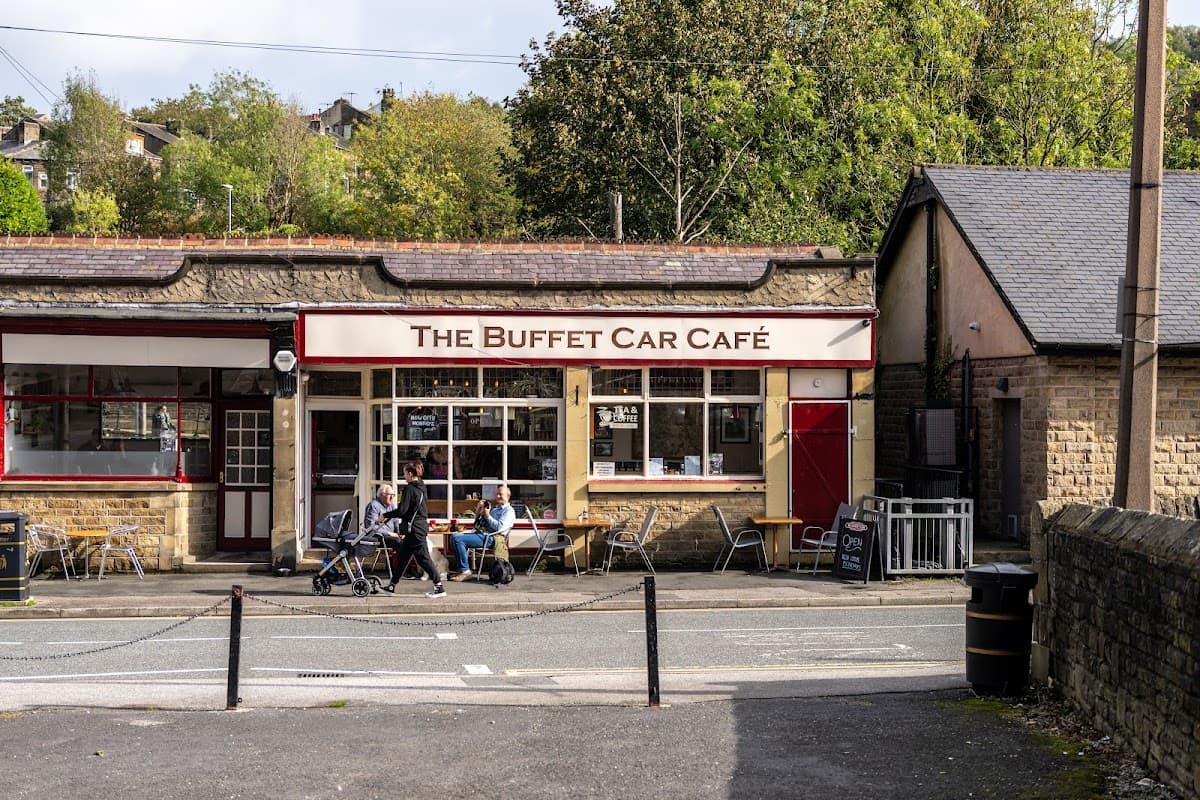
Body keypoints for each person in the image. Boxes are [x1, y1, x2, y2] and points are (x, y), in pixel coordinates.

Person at [381, 461, 446, 598]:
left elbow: (402, 510)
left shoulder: (410, 489)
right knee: (403, 558)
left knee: (423, 559)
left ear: (410, 473)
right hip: (418, 526)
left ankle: (439, 587)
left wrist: (384, 515)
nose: (404, 476)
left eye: (405, 473)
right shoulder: (422, 487)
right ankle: (391, 586)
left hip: (414, 529)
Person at [450, 484, 515, 581]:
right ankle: (462, 569)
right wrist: (478, 510)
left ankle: (466, 571)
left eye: (500, 494)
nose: (497, 496)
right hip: (483, 534)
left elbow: (499, 527)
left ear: (508, 496)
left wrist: (488, 515)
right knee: (454, 537)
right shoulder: (496, 509)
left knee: (458, 539)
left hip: (494, 538)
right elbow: (478, 524)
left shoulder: (509, 511)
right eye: (497, 494)